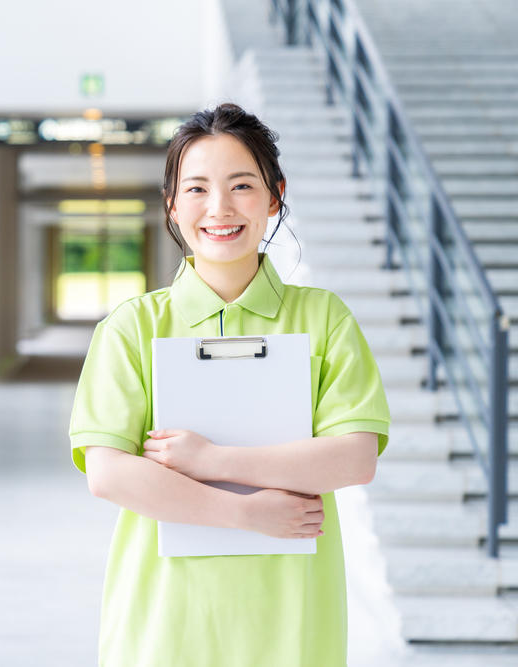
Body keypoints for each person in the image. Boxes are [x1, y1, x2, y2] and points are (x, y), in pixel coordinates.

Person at [68, 102, 391, 667]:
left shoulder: (324, 318)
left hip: (291, 613)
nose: (219, 208)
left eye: (241, 185)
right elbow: (109, 472)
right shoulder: (132, 327)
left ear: (274, 196)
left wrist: (212, 459)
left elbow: (353, 458)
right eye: (196, 189)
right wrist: (246, 513)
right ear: (171, 203)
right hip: (165, 615)